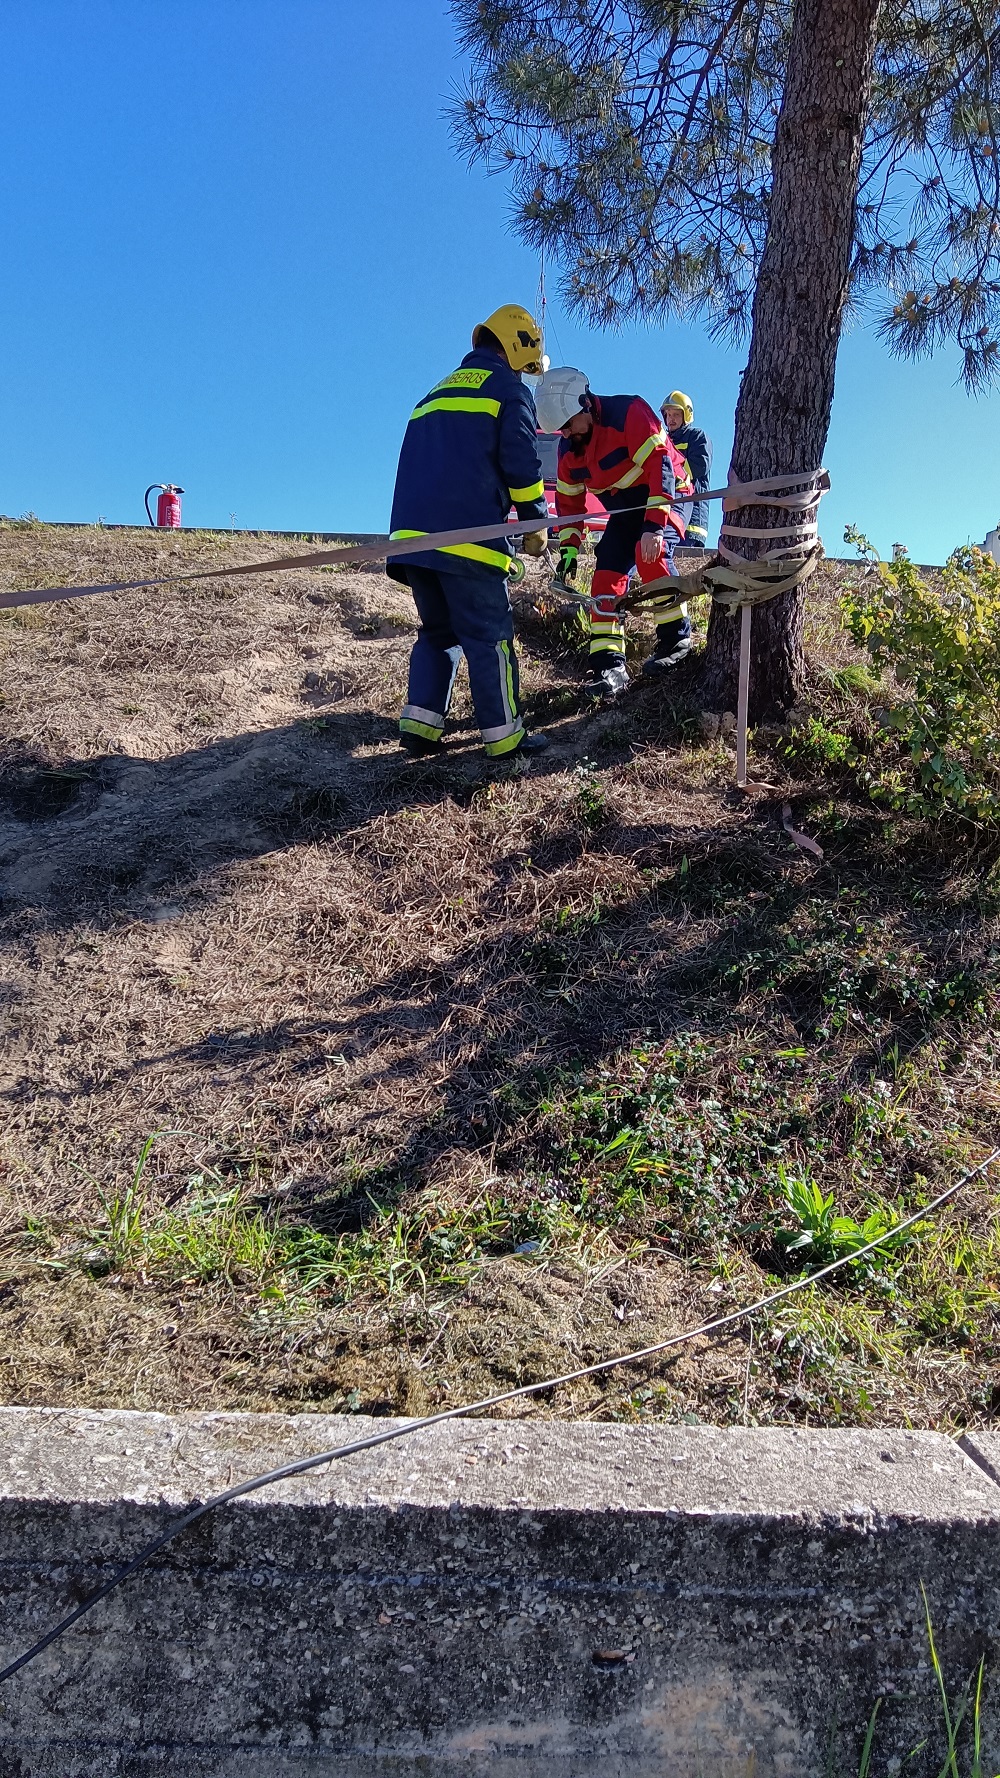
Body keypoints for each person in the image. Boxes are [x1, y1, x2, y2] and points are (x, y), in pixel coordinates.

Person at [386, 305, 551, 758]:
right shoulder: (508, 391)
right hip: (469, 541)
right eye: (525, 367)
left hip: (414, 544)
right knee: (488, 638)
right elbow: (522, 463)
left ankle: (420, 729)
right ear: (516, 348)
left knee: (437, 633)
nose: (523, 375)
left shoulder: (434, 392)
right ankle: (505, 739)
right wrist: (535, 522)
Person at [535, 368, 694, 699]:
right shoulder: (568, 451)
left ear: (586, 404)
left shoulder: (629, 413)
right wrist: (569, 550)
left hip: (670, 493)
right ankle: (609, 667)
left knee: (649, 555)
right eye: (561, 429)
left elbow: (661, 466)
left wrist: (654, 526)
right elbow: (569, 505)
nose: (566, 434)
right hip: (626, 511)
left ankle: (676, 640)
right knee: (606, 571)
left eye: (569, 424)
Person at [660, 390, 713, 548]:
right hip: (667, 517)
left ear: (686, 415)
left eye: (676, 414)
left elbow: (699, 465)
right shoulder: (663, 441)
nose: (671, 419)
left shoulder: (697, 437)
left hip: (692, 521)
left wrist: (666, 473)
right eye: (668, 415)